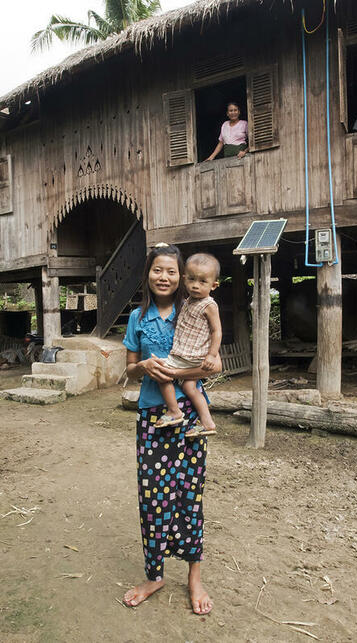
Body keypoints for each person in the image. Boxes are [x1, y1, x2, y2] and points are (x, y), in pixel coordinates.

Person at [121, 243, 221, 615]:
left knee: (189, 494)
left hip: (191, 419)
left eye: (172, 272)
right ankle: (155, 574)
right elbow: (128, 369)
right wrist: (145, 366)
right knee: (153, 498)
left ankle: (194, 576)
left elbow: (215, 365)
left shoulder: (194, 308)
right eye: (157, 270)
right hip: (152, 415)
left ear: (183, 277)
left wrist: (177, 373)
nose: (165, 277)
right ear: (148, 274)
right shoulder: (137, 317)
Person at [154, 253, 223, 438]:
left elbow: (217, 331)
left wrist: (211, 355)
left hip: (189, 356)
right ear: (184, 279)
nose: (195, 285)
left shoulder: (209, 305)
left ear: (213, 285)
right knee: (189, 388)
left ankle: (174, 411)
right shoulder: (189, 301)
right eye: (191, 279)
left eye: (202, 282)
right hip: (189, 355)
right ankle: (208, 423)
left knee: (161, 373)